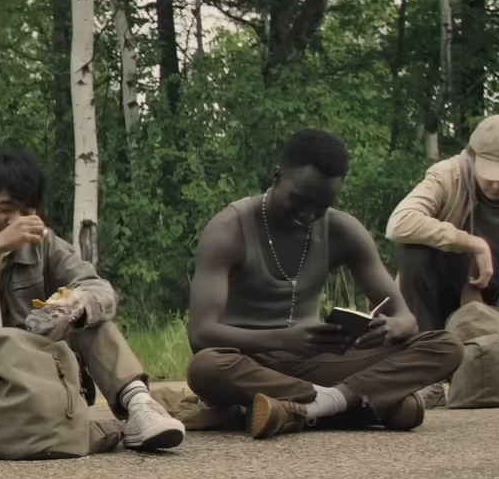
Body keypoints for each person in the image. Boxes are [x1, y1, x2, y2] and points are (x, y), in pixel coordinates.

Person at [0, 148, 186, 464]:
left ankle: (139, 405)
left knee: (86, 311)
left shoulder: (44, 244)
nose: (16, 221)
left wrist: (72, 307)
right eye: (5, 209)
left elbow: (99, 289)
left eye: (26, 211)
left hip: (36, 381)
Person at [185, 129, 464, 439]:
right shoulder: (229, 229)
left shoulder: (342, 229)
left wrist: (390, 327)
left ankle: (306, 407)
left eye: (321, 205)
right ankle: (352, 403)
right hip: (249, 360)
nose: (308, 214)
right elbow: (201, 334)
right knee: (205, 367)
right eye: (301, 199)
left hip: (316, 360)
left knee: (445, 346)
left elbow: (406, 318)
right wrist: (284, 339)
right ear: (277, 176)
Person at [385, 115, 499, 405]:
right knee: (417, 251)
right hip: (448, 296)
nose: (497, 182)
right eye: (490, 171)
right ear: (472, 156)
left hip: (494, 307)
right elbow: (399, 223)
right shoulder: (449, 175)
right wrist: (473, 243)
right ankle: (429, 372)